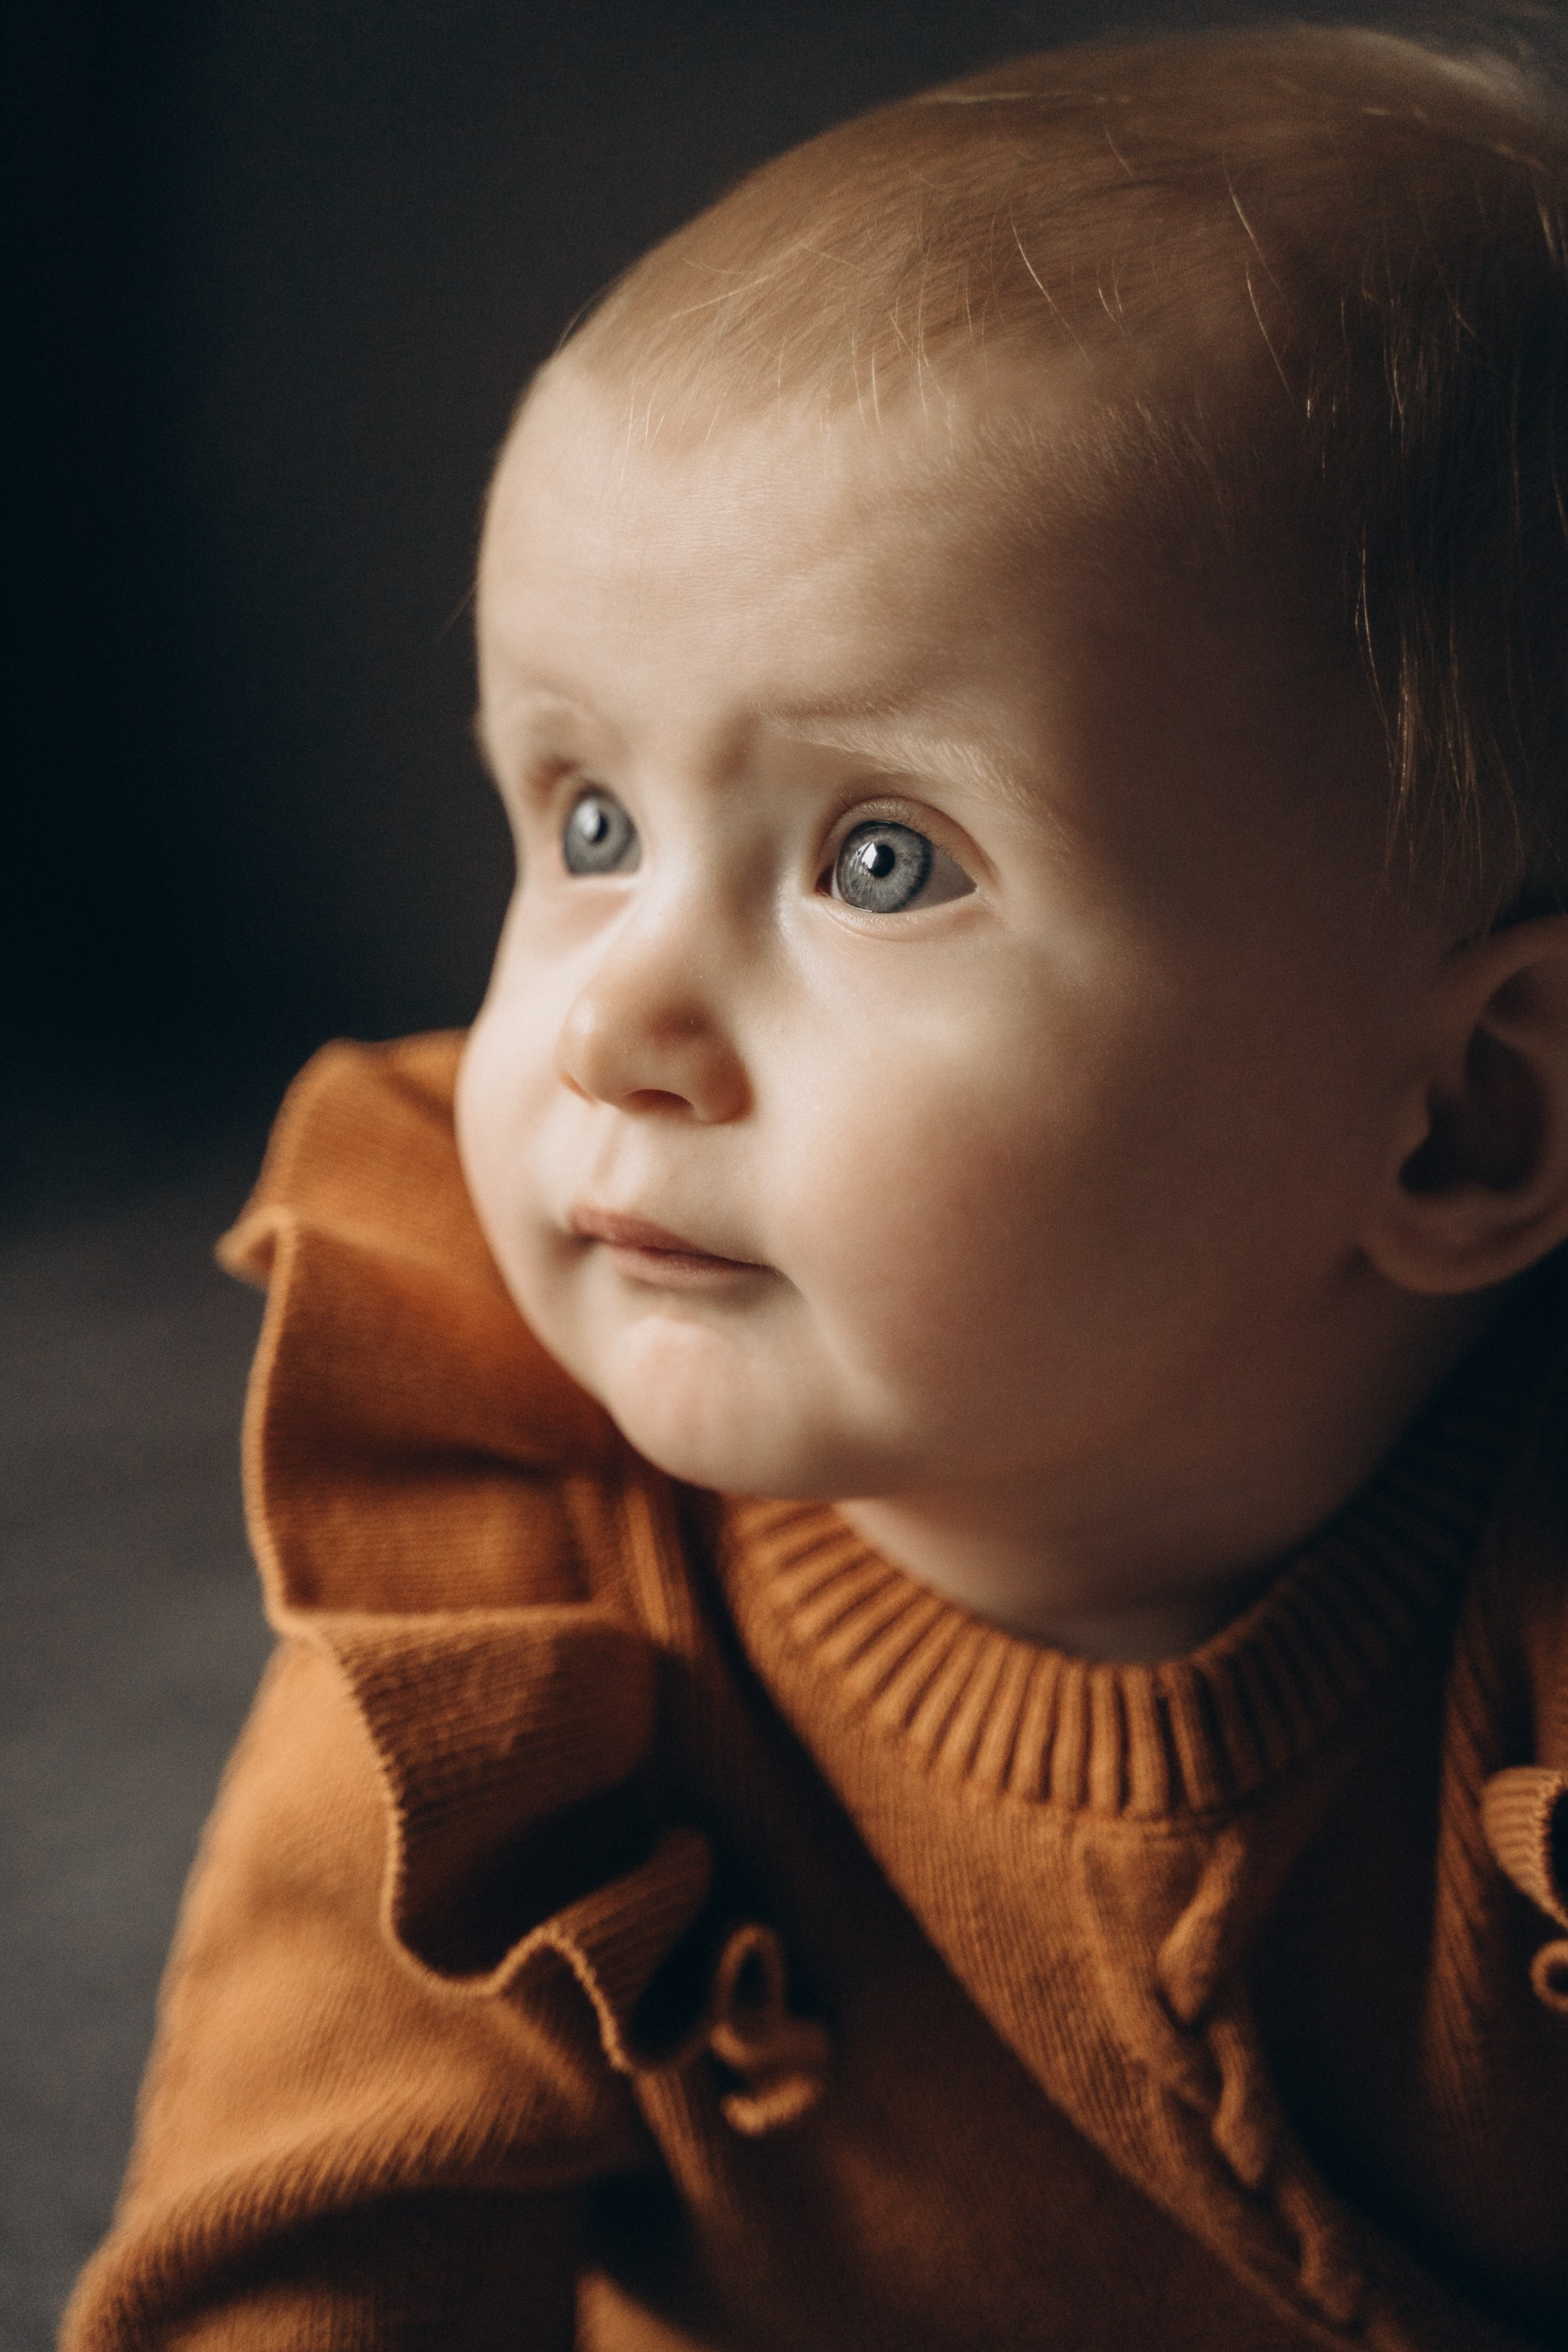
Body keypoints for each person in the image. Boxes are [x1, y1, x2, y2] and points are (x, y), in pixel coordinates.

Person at [64, 23, 1568, 2350]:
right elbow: (297, 2276)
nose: (612, 1021)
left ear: (1469, 1118)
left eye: (883, 857)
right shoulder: (501, 1631)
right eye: (585, 824)